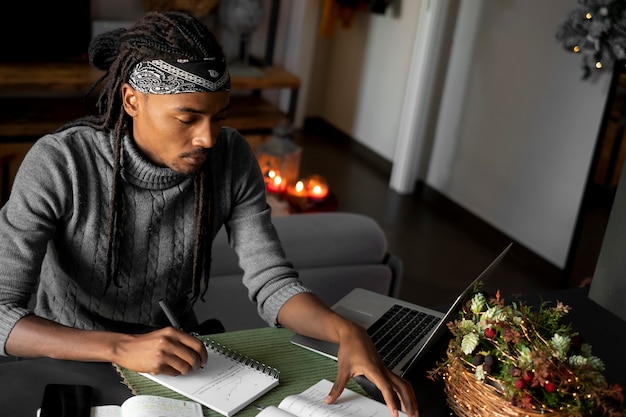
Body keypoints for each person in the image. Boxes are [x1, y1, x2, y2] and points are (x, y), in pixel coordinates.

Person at [0, 11, 418, 417]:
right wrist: (120, 347)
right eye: (187, 117)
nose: (207, 138)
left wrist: (346, 330)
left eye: (219, 118)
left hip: (184, 366)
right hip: (67, 359)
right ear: (131, 100)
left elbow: (272, 283)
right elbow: (2, 312)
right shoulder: (61, 163)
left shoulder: (231, 157)